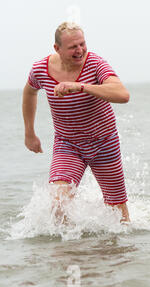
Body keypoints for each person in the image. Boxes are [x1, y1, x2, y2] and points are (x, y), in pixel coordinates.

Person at [22, 22, 131, 224]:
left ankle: (118, 253)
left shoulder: (96, 64)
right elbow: (29, 91)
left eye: (82, 44)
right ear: (57, 49)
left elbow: (123, 95)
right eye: (73, 46)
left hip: (104, 142)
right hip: (68, 144)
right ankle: (71, 252)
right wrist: (30, 132)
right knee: (57, 204)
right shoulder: (41, 69)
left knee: (118, 215)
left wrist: (81, 87)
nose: (79, 50)